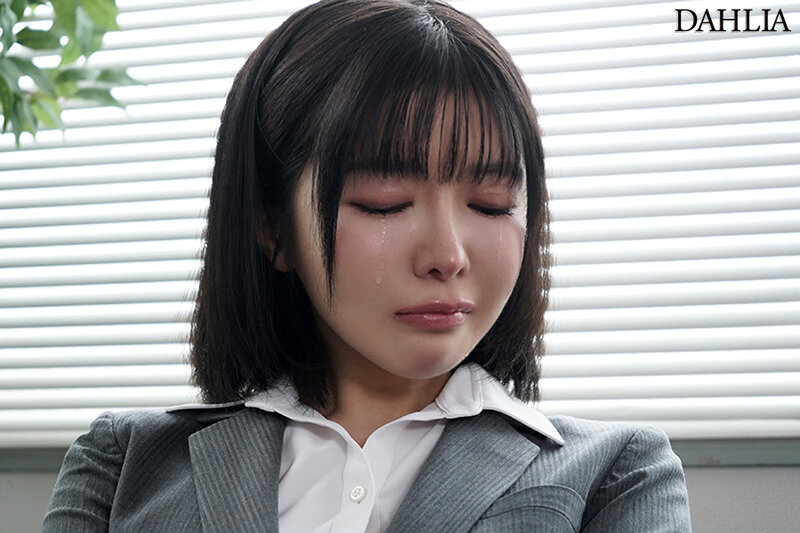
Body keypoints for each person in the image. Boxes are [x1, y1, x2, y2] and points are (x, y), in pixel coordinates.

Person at [42, 0, 692, 531]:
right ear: (273, 227)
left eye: (491, 204)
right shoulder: (123, 462)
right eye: (385, 203)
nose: (447, 256)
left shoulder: (616, 472)